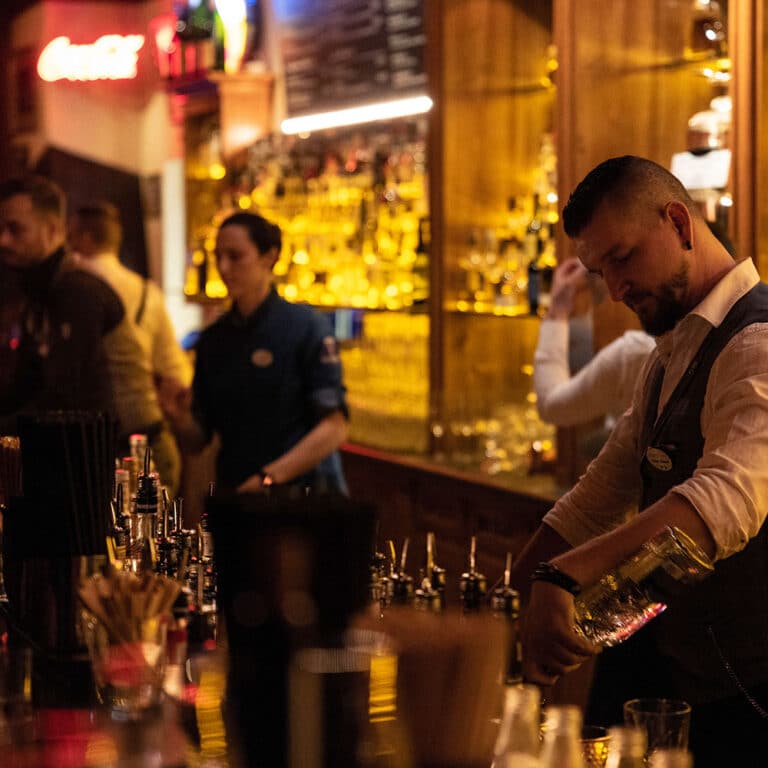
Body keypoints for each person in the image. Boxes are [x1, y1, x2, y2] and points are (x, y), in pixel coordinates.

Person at [510, 156, 768, 767]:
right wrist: (514, 592)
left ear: (678, 222)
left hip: (748, 697)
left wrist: (563, 577)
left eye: (622, 258)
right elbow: (601, 492)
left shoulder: (757, 343)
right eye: (602, 272)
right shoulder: (671, 351)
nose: (615, 289)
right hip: (679, 679)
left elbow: (722, 503)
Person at [159, 211, 349, 495]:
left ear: (269, 257)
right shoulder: (213, 339)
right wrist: (180, 417)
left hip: (301, 495)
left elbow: (335, 427)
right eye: (218, 257)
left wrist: (268, 479)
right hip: (238, 493)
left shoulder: (306, 327)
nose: (223, 268)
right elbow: (199, 440)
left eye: (235, 257)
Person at [68, 201, 193, 495]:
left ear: (84, 238)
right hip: (148, 442)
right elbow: (179, 374)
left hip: (93, 449)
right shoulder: (148, 293)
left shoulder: (73, 288)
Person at [0, 176, 123, 433]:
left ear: (52, 229)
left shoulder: (78, 290)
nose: (4, 241)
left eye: (15, 229)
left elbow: (68, 398)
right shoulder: (41, 291)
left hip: (128, 449)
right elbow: (26, 386)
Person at [534, 258, 656, 428]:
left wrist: (557, 310)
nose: (615, 292)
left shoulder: (635, 354)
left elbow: (551, 405)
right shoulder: (640, 352)